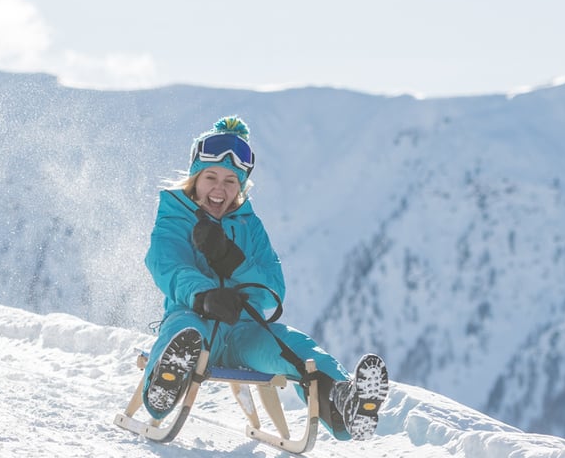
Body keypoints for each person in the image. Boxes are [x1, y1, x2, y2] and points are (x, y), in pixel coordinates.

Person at [140, 116, 390, 441]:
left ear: (242, 185)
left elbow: (274, 288)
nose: (220, 188)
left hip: (245, 332)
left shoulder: (249, 225)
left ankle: (344, 403)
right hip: (194, 319)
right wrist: (204, 295)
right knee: (184, 332)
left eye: (232, 181)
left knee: (294, 346)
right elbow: (166, 264)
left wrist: (232, 260)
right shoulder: (175, 215)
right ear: (194, 178)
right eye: (211, 177)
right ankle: (164, 387)